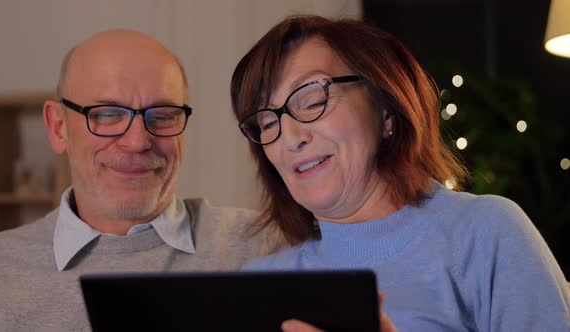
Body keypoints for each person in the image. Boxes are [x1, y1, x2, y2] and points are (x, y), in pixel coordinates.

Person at [230, 15, 570, 331]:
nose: (289, 138)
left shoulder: (485, 233)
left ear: (386, 110)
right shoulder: (259, 284)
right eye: (266, 121)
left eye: (311, 98)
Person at [0, 29, 283, 331]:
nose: (138, 141)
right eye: (108, 114)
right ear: (59, 127)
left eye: (163, 115)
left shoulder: (264, 245)